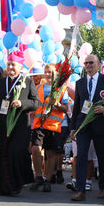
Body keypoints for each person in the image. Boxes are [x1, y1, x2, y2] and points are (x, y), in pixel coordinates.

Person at [0, 50, 38, 196]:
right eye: (8, 64)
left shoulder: (28, 81)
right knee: (2, 153)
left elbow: (36, 103)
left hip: (20, 125)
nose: (10, 67)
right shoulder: (0, 83)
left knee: (15, 153)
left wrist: (22, 103)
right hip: (2, 125)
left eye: (13, 64)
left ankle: (15, 184)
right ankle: (1, 185)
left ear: (20, 66)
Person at [69, 54, 104, 201]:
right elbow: (77, 106)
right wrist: (73, 128)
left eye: (91, 62)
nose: (89, 65)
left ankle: (102, 187)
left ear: (98, 64)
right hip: (83, 125)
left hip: (100, 124)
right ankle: (80, 190)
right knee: (81, 156)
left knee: (102, 156)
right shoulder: (80, 83)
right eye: (86, 63)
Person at [30, 63, 69, 192]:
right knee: (36, 149)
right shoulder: (38, 87)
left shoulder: (61, 89)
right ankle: (39, 177)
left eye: (50, 72)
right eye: (46, 72)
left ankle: (48, 179)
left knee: (50, 153)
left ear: (56, 74)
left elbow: (66, 108)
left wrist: (57, 104)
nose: (47, 74)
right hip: (38, 125)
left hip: (52, 126)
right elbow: (35, 104)